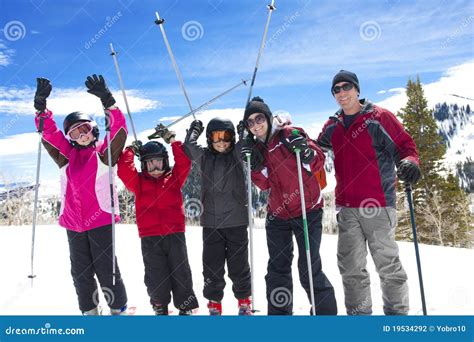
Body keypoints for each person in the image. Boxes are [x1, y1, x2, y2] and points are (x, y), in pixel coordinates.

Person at [317, 70, 421, 315]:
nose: (342, 93)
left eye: (346, 87)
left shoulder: (379, 117)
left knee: (388, 267)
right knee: (351, 268)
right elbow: (314, 151)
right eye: (336, 90)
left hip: (378, 205)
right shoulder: (333, 125)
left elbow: (405, 146)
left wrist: (410, 162)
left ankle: (396, 321)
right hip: (346, 208)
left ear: (357, 89)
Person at [33, 75, 128, 315]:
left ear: (93, 129)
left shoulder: (104, 154)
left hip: (101, 220)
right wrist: (41, 109)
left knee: (107, 269)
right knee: (81, 272)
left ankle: (118, 310)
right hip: (74, 224)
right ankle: (90, 312)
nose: (81, 135)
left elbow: (118, 131)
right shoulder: (66, 158)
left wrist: (108, 101)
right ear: (70, 140)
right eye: (74, 134)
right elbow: (50, 135)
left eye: (84, 129)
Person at [242, 96, 337, 315]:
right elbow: (264, 184)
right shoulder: (257, 149)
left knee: (309, 268)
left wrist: (305, 151)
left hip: (308, 209)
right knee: (278, 268)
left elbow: (318, 160)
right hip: (278, 215)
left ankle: (326, 316)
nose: (256, 125)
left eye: (259, 118)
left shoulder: (289, 134)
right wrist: (254, 166)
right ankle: (280, 317)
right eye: (251, 122)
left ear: (267, 117)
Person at [117, 125, 198, 315]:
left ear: (166, 162)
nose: (154, 168)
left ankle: (185, 307)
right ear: (143, 165)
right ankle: (159, 305)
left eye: (159, 163)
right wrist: (130, 151)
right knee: (155, 275)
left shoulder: (174, 178)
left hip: (175, 234)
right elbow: (123, 170)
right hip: (150, 237)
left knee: (181, 272)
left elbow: (185, 161)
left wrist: (172, 140)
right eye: (150, 163)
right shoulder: (138, 183)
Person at [183, 117, 252, 315]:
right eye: (216, 136)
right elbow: (189, 146)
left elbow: (246, 144)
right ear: (209, 139)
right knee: (212, 266)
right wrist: (195, 129)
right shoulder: (204, 157)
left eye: (227, 136)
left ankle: (244, 300)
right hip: (211, 223)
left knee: (238, 265)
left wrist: (244, 130)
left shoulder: (237, 155)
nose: (222, 141)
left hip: (236, 221)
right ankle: (214, 302)